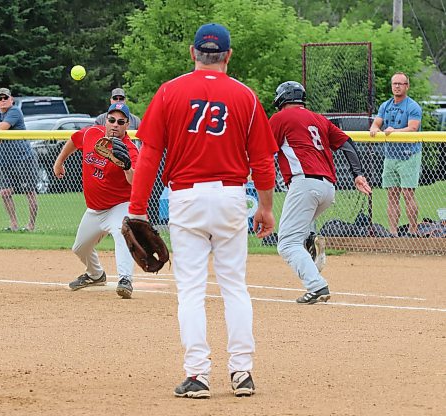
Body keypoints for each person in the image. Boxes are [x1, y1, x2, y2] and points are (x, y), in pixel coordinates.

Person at [127, 23, 278, 398]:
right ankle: (242, 372)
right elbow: (262, 160)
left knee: (191, 291)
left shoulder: (169, 92)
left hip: (186, 199)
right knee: (234, 287)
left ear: (193, 53)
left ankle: (198, 375)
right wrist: (266, 207)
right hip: (230, 198)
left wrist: (137, 209)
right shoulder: (244, 95)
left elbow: (149, 155)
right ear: (228, 55)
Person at [269, 81, 371, 304]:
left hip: (304, 185)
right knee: (299, 232)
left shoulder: (280, 118)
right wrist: (358, 174)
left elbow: (265, 151)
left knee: (286, 243)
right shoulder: (320, 119)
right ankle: (310, 240)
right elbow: (347, 143)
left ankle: (316, 287)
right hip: (327, 188)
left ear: (281, 100)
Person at [53, 102, 138, 299]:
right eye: (111, 120)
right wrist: (59, 161)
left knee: (121, 232)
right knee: (79, 248)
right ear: (105, 120)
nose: (115, 124)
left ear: (127, 125)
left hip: (119, 205)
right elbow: (74, 140)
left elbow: (135, 181)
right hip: (95, 209)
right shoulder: (92, 134)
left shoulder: (131, 150)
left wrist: (126, 166)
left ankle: (125, 279)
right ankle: (95, 274)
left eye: (120, 121)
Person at [370, 72, 422, 236]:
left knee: (408, 193)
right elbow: (377, 122)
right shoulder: (385, 105)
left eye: (401, 83)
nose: (397, 86)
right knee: (392, 194)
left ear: (407, 86)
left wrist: (394, 131)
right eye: (394, 84)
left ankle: (413, 231)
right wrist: (374, 128)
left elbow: (413, 128)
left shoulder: (412, 106)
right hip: (390, 156)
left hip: (409, 155)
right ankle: (393, 233)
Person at [0, 88, 38, 232]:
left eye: (6, 98)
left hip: (24, 159)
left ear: (11, 99)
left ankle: (31, 225)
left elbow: (3, 128)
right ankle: (14, 224)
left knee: (29, 192)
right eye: (0, 98)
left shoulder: (15, 111)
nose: (3, 100)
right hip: (6, 161)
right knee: (5, 193)